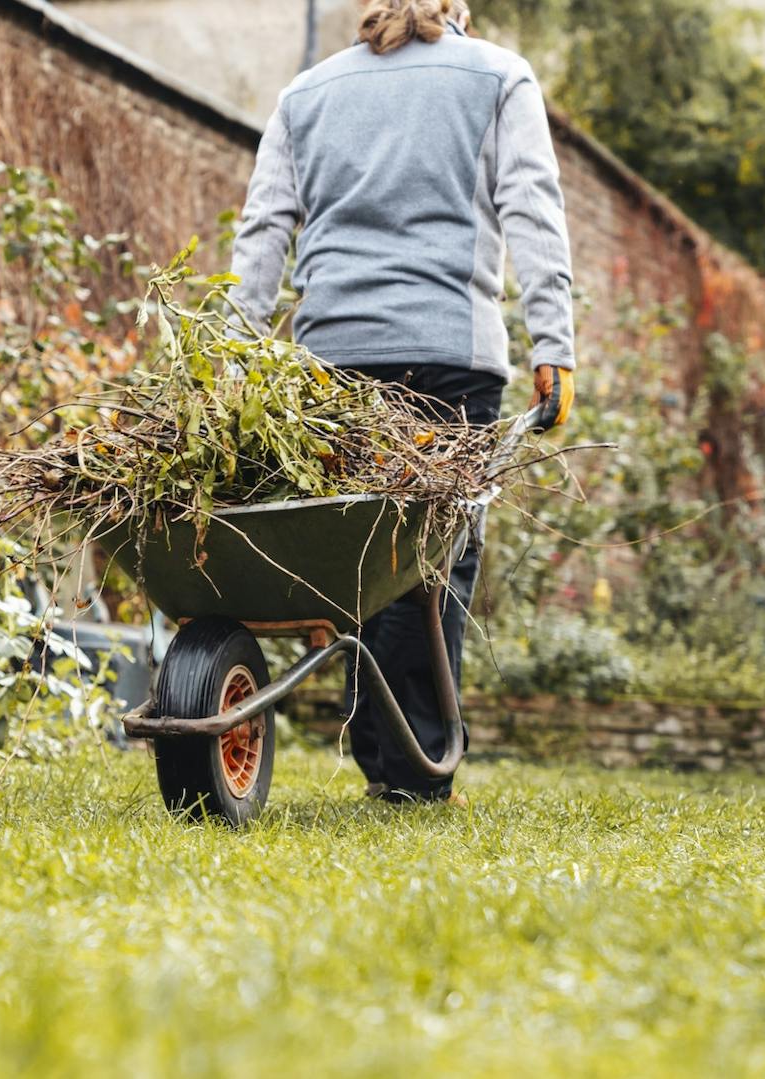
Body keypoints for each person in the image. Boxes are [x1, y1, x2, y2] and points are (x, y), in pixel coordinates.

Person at [226, 0, 577, 804]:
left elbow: (263, 231)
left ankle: (387, 752)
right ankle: (413, 762)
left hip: (332, 370)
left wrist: (235, 363)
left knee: (359, 553)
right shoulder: (497, 76)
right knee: (433, 558)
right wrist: (553, 346)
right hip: (452, 360)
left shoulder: (304, 94)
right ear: (454, 5)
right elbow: (533, 209)